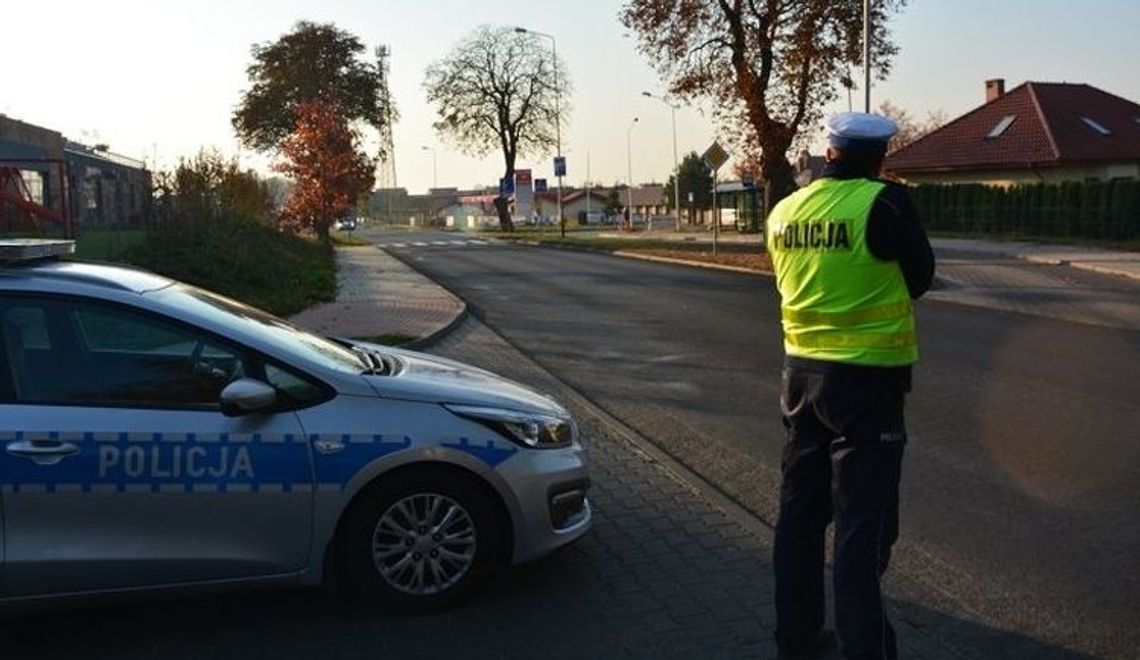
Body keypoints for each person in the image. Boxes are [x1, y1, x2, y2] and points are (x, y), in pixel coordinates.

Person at [765, 111, 935, 660]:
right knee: (862, 530)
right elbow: (921, 278)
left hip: (799, 380)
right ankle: (866, 650)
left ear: (830, 151)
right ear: (880, 155)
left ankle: (797, 640)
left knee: (799, 520)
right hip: (867, 387)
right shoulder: (885, 203)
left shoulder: (784, 210)